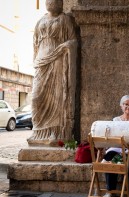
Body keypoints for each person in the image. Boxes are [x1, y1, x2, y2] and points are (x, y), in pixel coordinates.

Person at [29, 0, 77, 144]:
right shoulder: (40, 21)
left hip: (58, 60)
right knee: (36, 98)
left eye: (55, 0)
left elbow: (73, 40)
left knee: (57, 97)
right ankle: (38, 132)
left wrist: (67, 46)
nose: (51, 2)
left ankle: (54, 133)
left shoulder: (65, 19)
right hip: (41, 61)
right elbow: (35, 44)